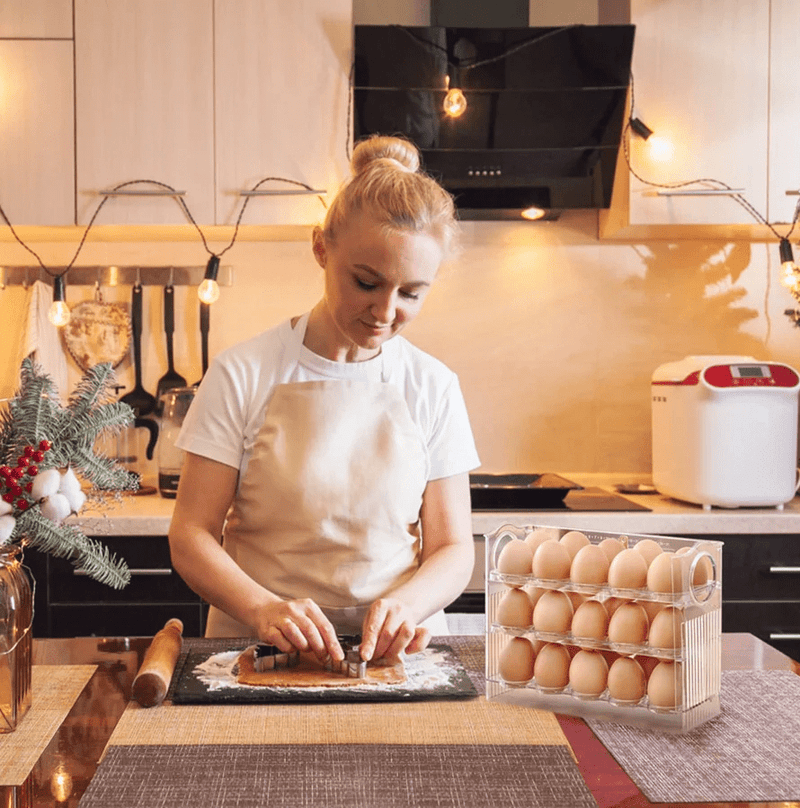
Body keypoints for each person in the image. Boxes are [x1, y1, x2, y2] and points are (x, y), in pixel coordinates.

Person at [168, 134, 480, 667]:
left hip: (395, 661)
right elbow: (191, 534)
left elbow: (453, 549)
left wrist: (408, 605)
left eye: (411, 293)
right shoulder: (242, 372)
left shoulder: (433, 384)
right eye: (366, 282)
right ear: (321, 248)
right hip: (258, 650)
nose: (385, 312)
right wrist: (264, 609)